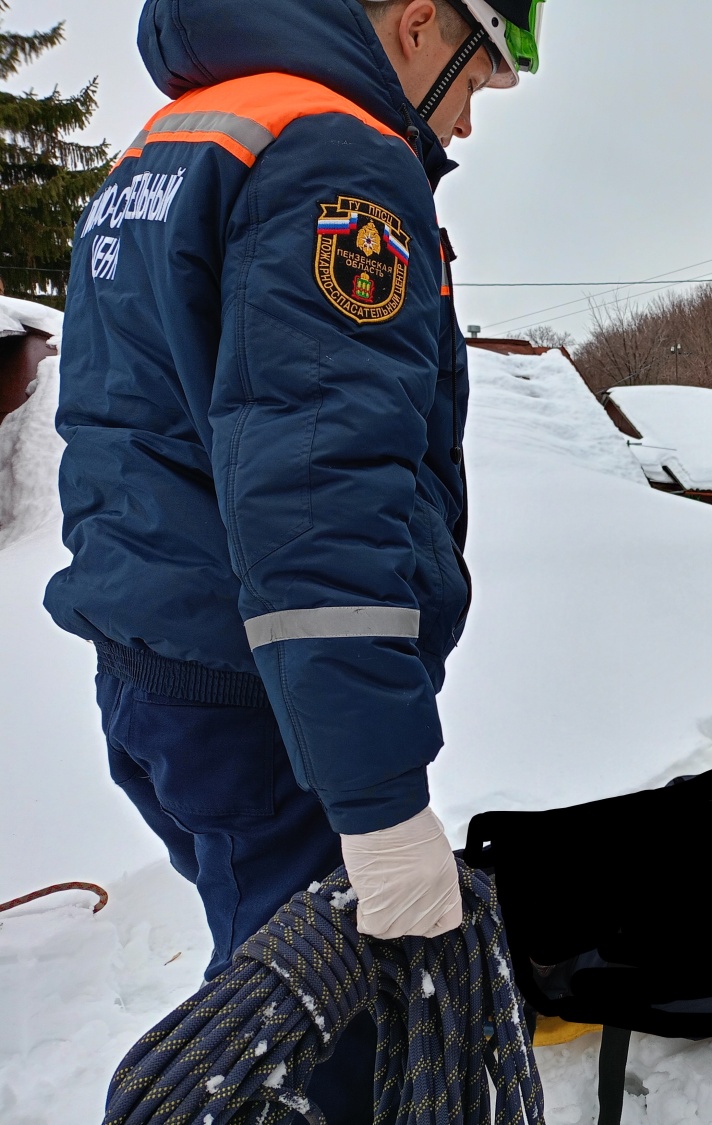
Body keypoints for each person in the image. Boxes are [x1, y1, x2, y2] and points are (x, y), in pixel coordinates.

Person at [46, 1, 548, 1119]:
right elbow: (316, 498)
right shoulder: (337, 157)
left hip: (163, 668)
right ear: (421, 22)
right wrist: (377, 806)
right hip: (259, 704)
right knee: (336, 1041)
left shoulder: (174, 142)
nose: (464, 126)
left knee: (272, 978)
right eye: (476, 82)